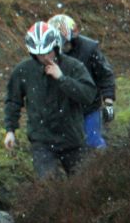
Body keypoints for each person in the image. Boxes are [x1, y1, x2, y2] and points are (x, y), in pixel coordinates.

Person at [3, 21, 96, 180]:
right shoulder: (23, 71)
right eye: (40, 55)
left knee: (83, 183)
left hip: (72, 140)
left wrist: (62, 79)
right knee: (49, 183)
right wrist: (10, 130)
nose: (45, 57)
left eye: (48, 52)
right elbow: (13, 101)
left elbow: (88, 95)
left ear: (55, 47)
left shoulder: (73, 66)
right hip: (42, 142)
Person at [48, 13, 117, 148]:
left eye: (66, 43)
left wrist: (108, 102)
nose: (64, 47)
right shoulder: (49, 54)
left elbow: (105, 74)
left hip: (89, 105)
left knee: (93, 142)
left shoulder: (89, 49)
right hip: (64, 108)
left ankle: (104, 158)